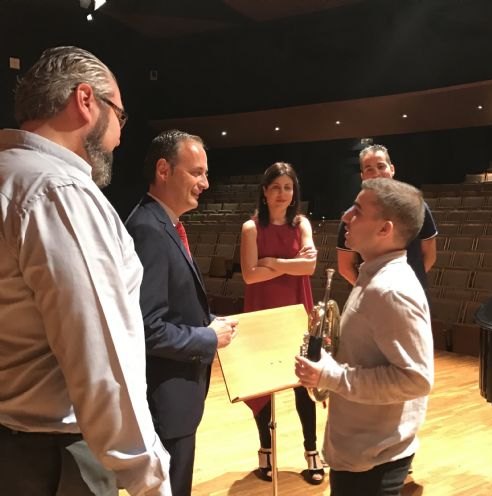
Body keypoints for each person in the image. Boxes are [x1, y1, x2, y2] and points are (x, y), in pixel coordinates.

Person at [0, 46, 171, 495]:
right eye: (119, 115)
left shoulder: (8, 176)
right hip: (49, 461)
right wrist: (150, 480)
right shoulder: (57, 191)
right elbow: (101, 354)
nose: (118, 136)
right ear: (85, 100)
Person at [295, 178, 435, 496]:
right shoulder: (372, 274)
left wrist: (331, 376)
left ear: (385, 229)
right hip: (360, 451)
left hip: (374, 460)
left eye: (357, 211)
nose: (345, 216)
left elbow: (416, 379)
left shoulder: (391, 289)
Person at [124, 129, 238, 496]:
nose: (206, 183)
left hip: (175, 397)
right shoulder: (149, 231)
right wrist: (207, 337)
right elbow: (147, 327)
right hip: (164, 401)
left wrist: (206, 323)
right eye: (197, 172)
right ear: (164, 169)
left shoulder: (164, 224)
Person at [240, 162, 325, 485]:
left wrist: (272, 262)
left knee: (304, 386)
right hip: (262, 314)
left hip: (295, 313)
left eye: (287, 187)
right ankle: (266, 452)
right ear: (264, 191)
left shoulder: (301, 223)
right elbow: (249, 275)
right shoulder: (251, 228)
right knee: (265, 386)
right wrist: (293, 265)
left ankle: (312, 454)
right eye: (275, 187)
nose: (282, 193)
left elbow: (311, 267)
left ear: (294, 193)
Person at [337, 144, 438, 289]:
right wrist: (371, 289)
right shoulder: (353, 216)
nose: (376, 173)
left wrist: (406, 286)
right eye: (369, 169)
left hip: (412, 290)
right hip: (371, 297)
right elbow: (345, 266)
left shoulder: (419, 208)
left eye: (381, 166)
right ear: (363, 176)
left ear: (392, 169)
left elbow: (429, 255)